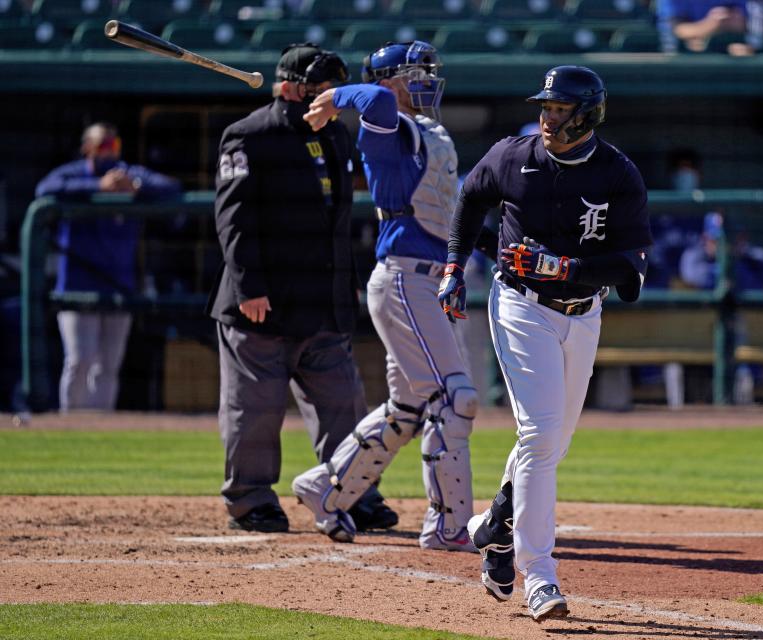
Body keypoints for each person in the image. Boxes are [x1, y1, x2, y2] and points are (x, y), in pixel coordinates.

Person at [440, 66, 653, 620]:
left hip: (584, 314)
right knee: (538, 433)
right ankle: (540, 575)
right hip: (519, 307)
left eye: (559, 109)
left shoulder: (617, 173)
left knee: (551, 442)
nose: (547, 116)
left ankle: (497, 529)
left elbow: (630, 275)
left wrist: (567, 267)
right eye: (546, 106)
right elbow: (469, 199)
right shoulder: (513, 155)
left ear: (587, 114)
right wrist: (454, 268)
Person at [293, 40, 495, 550]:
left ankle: (325, 489)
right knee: (455, 399)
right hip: (406, 279)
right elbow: (377, 103)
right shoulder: (387, 124)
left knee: (407, 407)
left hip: (430, 280)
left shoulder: (431, 133)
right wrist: (340, 93)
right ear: (386, 82)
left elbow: (445, 214)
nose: (425, 81)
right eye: (413, 74)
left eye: (428, 72)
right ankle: (448, 526)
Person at [208, 44, 396, 534]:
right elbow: (235, 222)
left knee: (344, 407)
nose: (331, 99)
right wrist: (250, 287)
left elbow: (336, 225)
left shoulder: (335, 135)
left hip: (322, 305)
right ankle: (250, 501)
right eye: (323, 90)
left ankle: (353, 493)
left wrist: (345, 289)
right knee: (255, 411)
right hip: (261, 306)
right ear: (293, 89)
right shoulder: (248, 136)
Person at [35, 122, 181, 412]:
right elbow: (45, 189)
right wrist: (97, 188)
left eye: (114, 146)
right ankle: (70, 425)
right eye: (103, 146)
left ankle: (101, 424)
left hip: (119, 287)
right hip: (78, 287)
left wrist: (134, 187)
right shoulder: (74, 173)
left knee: (108, 366)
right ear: (87, 148)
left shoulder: (127, 173)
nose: (110, 152)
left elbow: (170, 187)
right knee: (80, 360)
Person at [680, 211, 763, 403]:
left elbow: (760, 284)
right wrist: (727, 272)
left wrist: (734, 267)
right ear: (706, 238)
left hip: (744, 342)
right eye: (717, 239)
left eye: (733, 238)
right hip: (696, 342)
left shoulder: (754, 258)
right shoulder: (693, 256)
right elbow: (696, 275)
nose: (725, 245)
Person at [656, 0, 748, 52]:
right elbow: (677, 29)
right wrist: (710, 25)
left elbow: (744, 23)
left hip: (730, 54)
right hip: (684, 58)